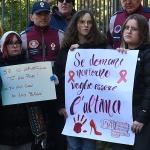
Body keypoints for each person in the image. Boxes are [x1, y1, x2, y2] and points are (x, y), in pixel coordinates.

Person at [54, 9, 108, 150]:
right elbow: (57, 77)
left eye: (89, 22)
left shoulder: (101, 45)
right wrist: (59, 104)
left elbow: (109, 71)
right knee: (72, 145)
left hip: (93, 105)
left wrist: (82, 49)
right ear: (75, 24)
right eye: (82, 22)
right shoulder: (66, 49)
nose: (86, 25)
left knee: (89, 145)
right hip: (71, 106)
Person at [20, 1, 67, 150]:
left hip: (55, 91)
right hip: (33, 92)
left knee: (57, 130)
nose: (43, 17)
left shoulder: (60, 35)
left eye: (46, 14)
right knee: (35, 130)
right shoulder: (24, 37)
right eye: (39, 14)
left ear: (50, 15)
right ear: (31, 16)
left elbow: (66, 61)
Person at [112, 14, 150, 150]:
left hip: (140, 116)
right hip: (121, 115)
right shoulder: (118, 55)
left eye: (134, 29)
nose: (129, 31)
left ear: (143, 33)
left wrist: (142, 117)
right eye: (126, 28)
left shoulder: (147, 54)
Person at [0, 31, 34, 150]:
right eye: (10, 43)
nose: (15, 45)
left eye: (17, 42)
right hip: (3, 133)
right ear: (4, 46)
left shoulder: (31, 66)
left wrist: (49, 83)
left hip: (26, 132)